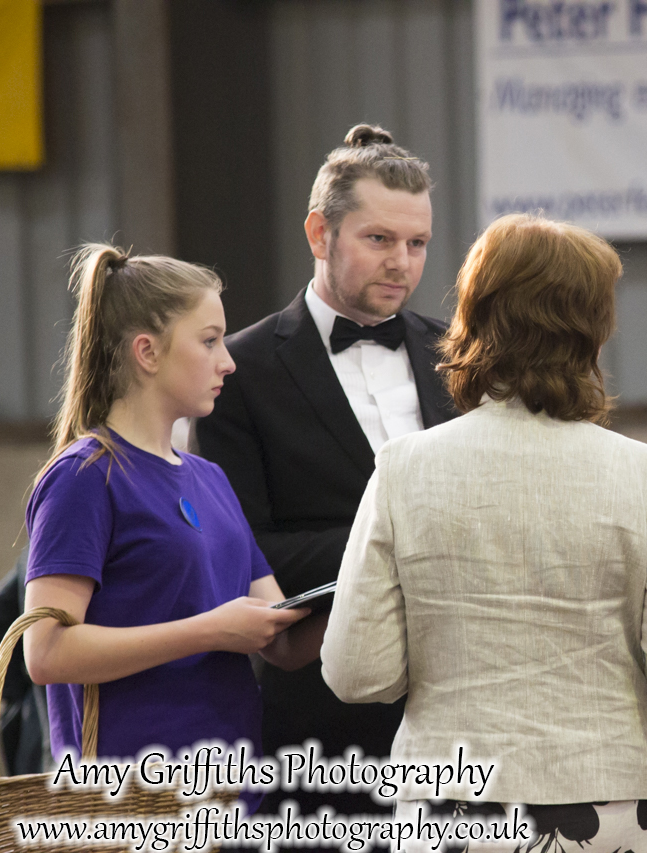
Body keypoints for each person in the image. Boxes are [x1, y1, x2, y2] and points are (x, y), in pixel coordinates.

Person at [320, 213, 647, 849]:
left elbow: (357, 673)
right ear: (592, 331)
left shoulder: (404, 470)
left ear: (474, 317)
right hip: (609, 803)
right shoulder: (643, 474)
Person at [194, 124, 459, 822]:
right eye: (379, 239)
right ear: (320, 233)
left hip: (460, 709)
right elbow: (240, 548)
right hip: (315, 721)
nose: (402, 261)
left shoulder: (459, 356)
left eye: (418, 243)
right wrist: (395, 544)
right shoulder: (238, 372)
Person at [21, 245, 322, 811]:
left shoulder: (209, 478)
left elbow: (280, 638)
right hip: (130, 801)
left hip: (229, 795)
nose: (228, 361)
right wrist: (207, 631)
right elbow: (46, 652)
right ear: (147, 352)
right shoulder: (85, 476)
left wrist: (377, 593)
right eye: (209, 341)